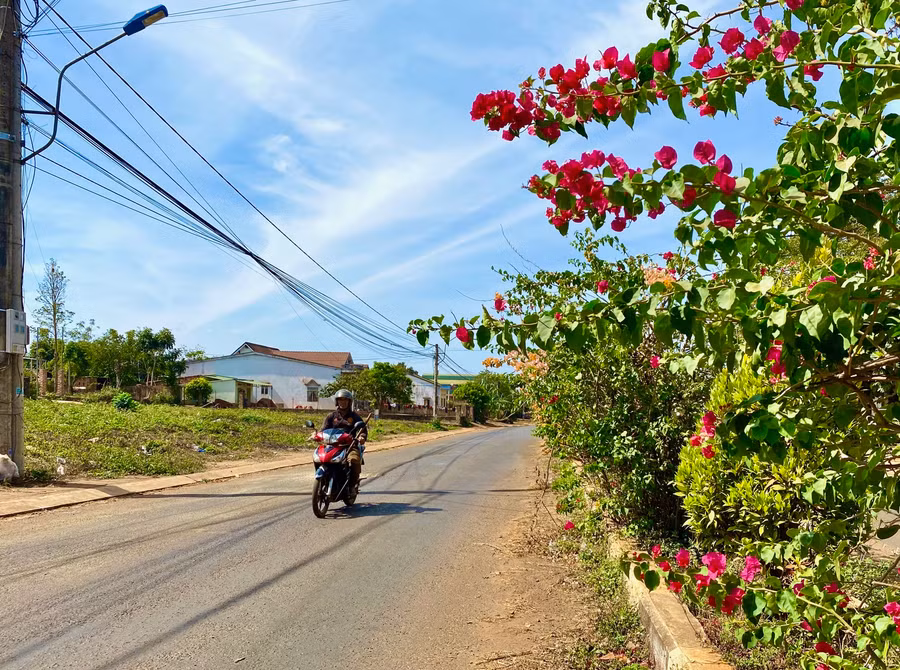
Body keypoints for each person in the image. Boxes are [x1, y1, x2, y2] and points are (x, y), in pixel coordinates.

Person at [322, 389, 367, 490]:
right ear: (337, 402)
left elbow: (363, 429)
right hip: (332, 445)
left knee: (354, 460)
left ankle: (352, 485)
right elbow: (323, 430)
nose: (342, 402)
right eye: (340, 400)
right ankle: (324, 479)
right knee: (320, 458)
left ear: (349, 402)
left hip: (350, 446)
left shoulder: (354, 416)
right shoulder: (331, 416)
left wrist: (362, 437)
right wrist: (315, 434)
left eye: (345, 400)